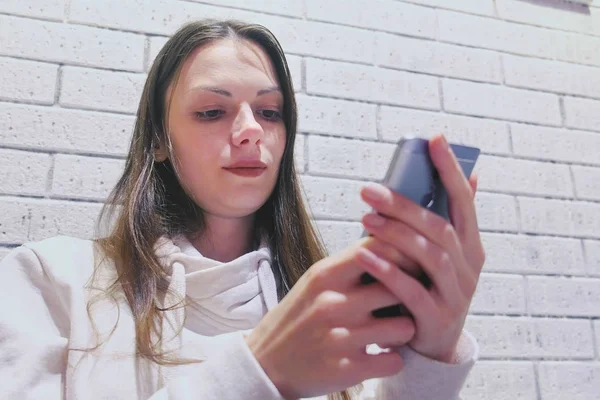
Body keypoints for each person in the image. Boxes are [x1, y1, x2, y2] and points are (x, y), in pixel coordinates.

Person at [0, 19, 485, 400]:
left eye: (270, 112)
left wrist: (429, 364)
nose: (252, 129)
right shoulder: (51, 280)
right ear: (159, 141)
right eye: (212, 112)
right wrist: (259, 373)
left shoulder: (332, 309)